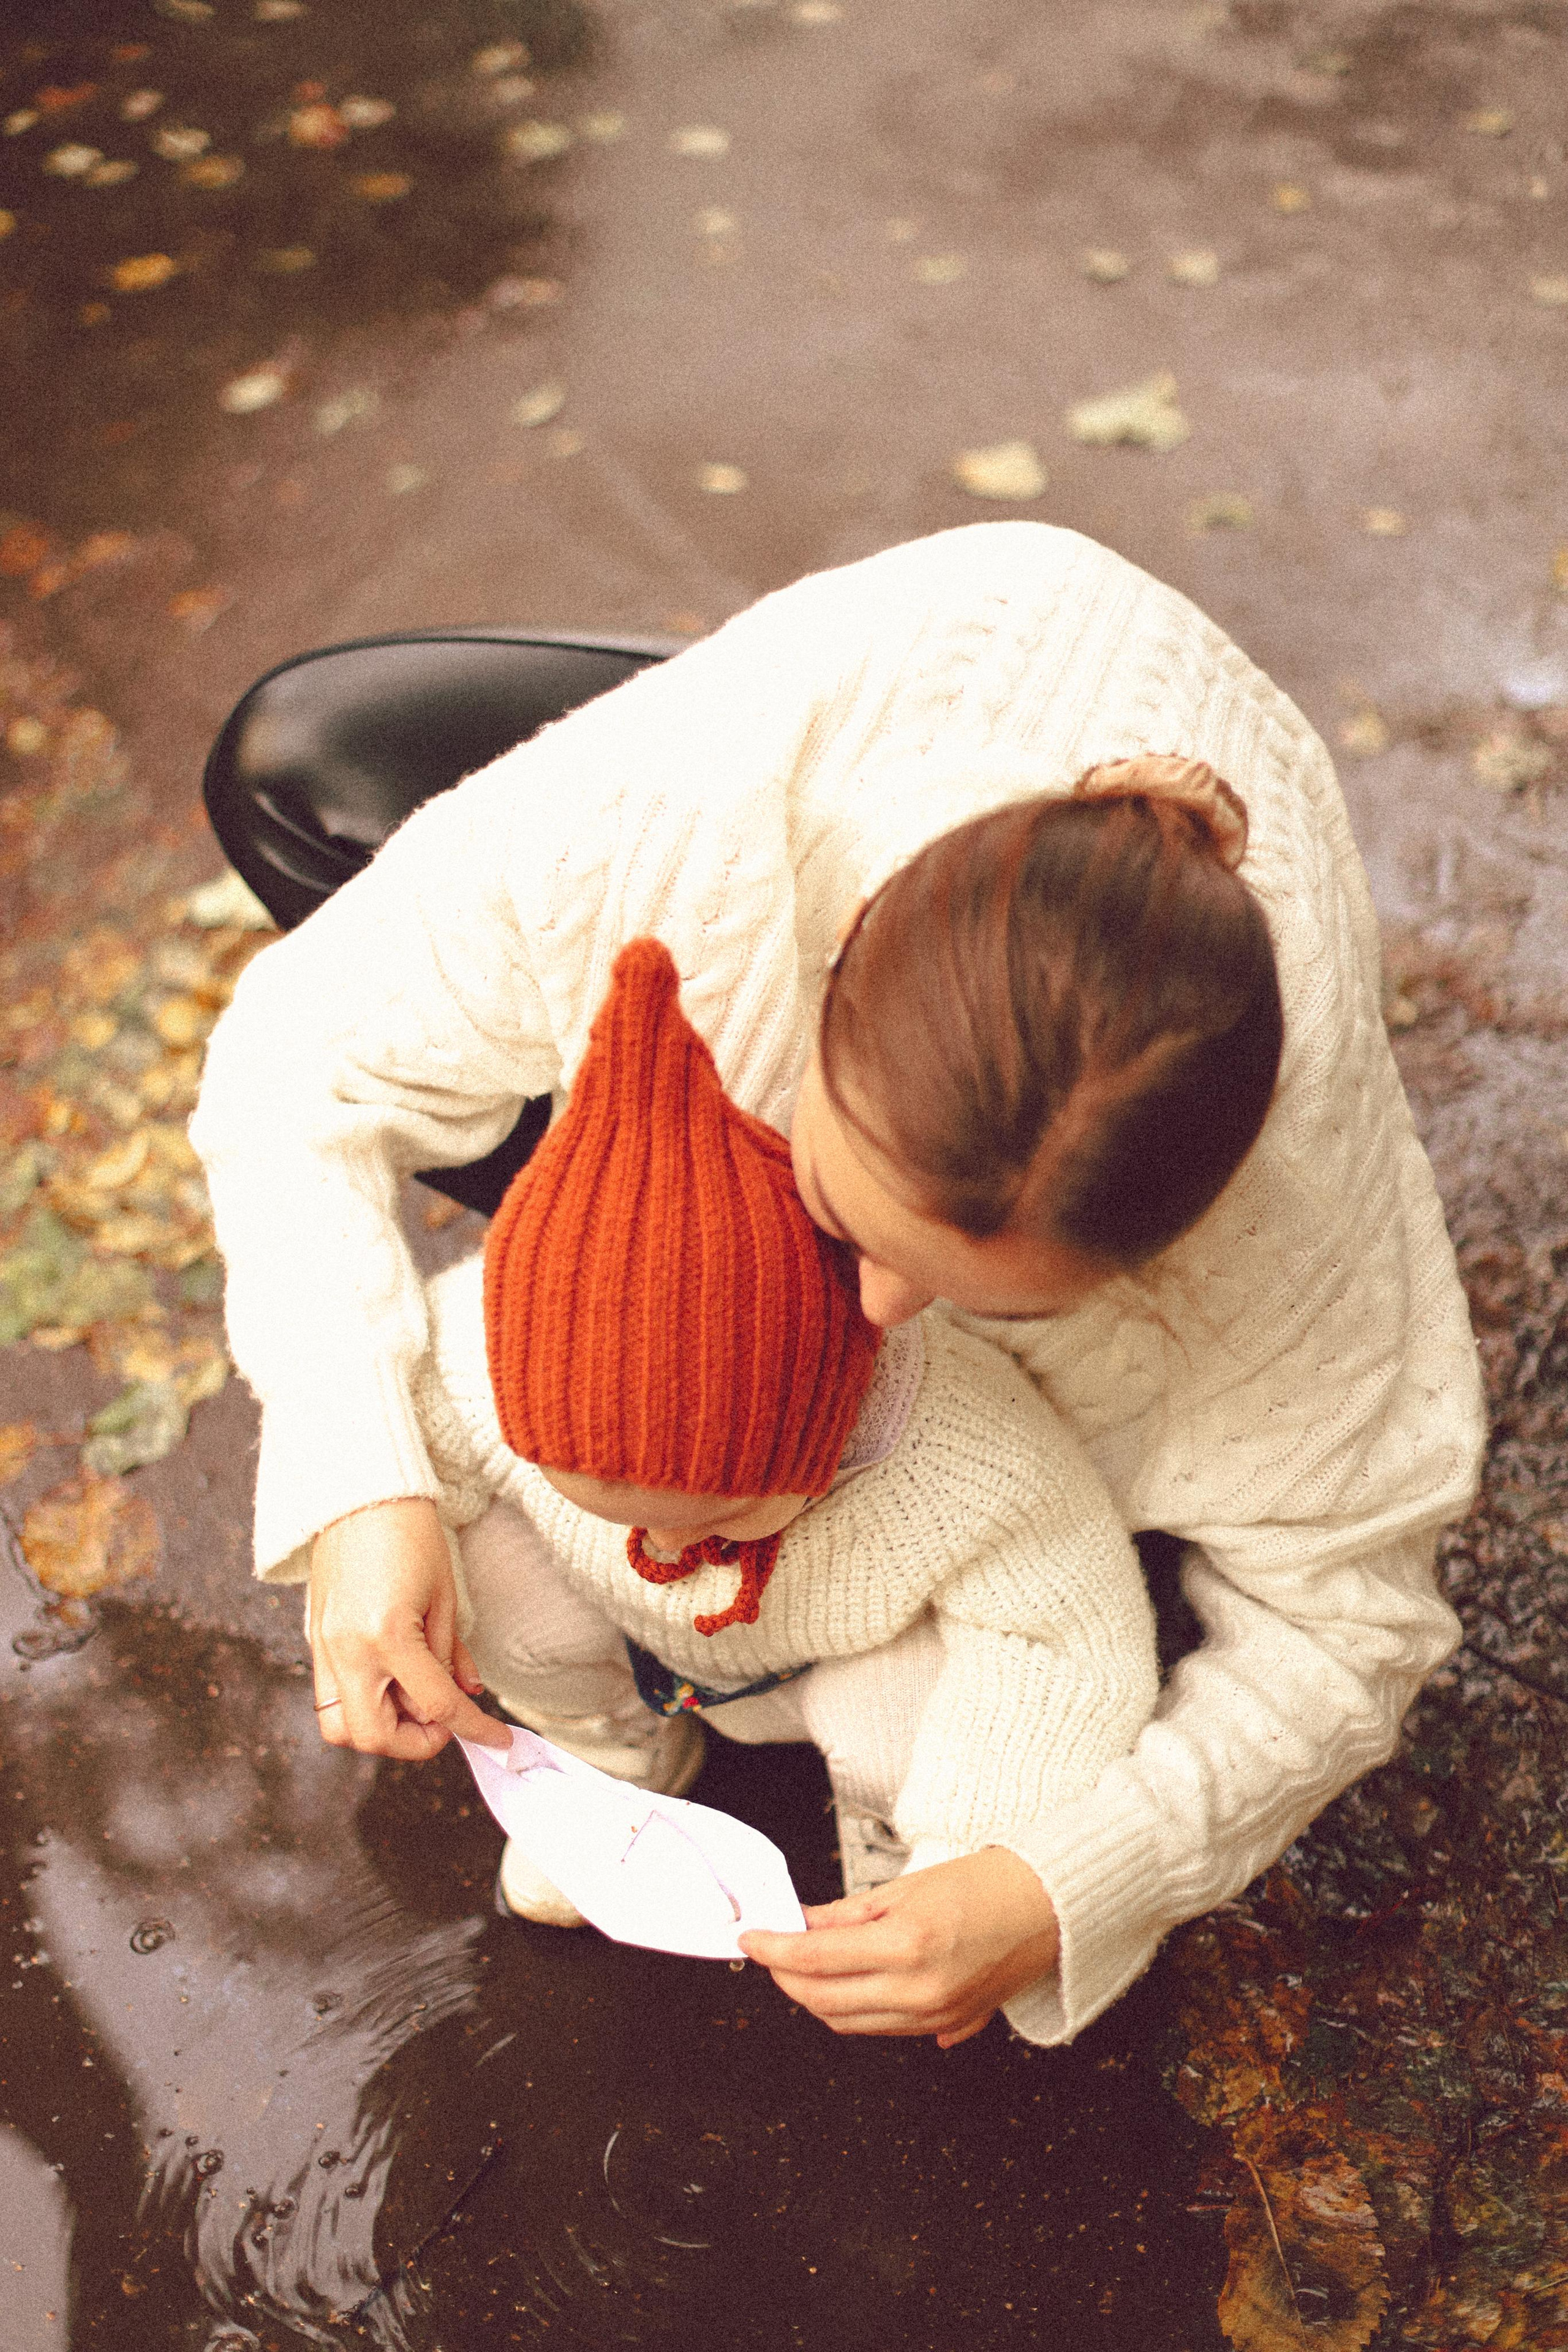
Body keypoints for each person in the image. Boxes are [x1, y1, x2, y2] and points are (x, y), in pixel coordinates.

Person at [189, 521, 1485, 2049]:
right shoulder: (686, 824)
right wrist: (361, 1476)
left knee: (1092, 1590)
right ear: (826, 975)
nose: (867, 1319)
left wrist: (1063, 1883)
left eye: (988, 1300)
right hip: (868, 699)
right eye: (837, 1211)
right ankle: (635, 1287)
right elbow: (292, 1062)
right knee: (293, 763)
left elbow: (1350, 1622)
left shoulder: (1291, 1209)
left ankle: (1025, 1471)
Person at [410, 933, 1161, 2048]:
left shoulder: (963, 1456)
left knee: (895, 1714)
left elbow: (1062, 1638)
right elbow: (404, 1416)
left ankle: (907, 1856)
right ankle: (615, 1753)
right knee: (483, 1572)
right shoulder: (477, 1358)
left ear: (829, 1422)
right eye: (605, 1503)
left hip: (835, 1662)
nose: (668, 1547)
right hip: (635, 1649)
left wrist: (979, 1847)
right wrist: (386, 1532)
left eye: (716, 1514)